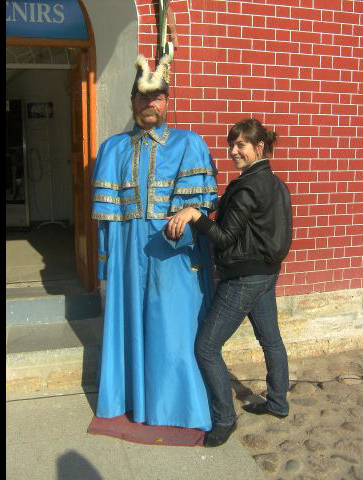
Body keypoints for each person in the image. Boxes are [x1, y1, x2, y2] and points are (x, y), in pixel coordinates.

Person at [91, 54, 218, 431]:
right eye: (143, 97)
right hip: (127, 252)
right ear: (132, 101)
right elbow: (105, 221)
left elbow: (200, 206)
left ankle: (179, 407)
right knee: (127, 325)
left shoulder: (189, 144)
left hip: (172, 253)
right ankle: (129, 399)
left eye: (157, 97)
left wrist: (183, 228)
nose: (150, 103)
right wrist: (106, 263)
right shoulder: (112, 149)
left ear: (167, 101)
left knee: (174, 330)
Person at [166, 118, 293, 446]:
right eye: (231, 144)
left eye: (241, 145)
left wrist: (195, 215)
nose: (234, 151)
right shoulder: (275, 183)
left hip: (243, 279)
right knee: (271, 341)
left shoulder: (247, 187)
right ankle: (278, 403)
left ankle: (224, 418)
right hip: (267, 273)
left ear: (259, 147)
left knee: (206, 348)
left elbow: (223, 238)